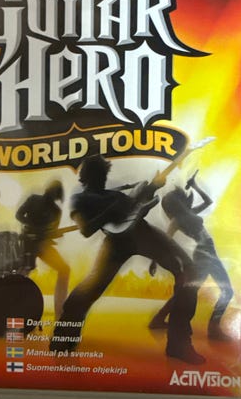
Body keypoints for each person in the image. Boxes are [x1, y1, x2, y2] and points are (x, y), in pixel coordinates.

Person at [49, 155, 205, 364]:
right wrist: (110, 212)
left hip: (142, 232)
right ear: (85, 177)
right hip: (116, 243)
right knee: (89, 288)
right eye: (97, 174)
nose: (102, 178)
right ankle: (63, 338)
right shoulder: (81, 200)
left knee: (188, 271)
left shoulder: (116, 194)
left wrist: (153, 187)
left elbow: (136, 205)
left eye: (103, 174)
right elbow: (86, 230)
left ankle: (179, 344)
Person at [149, 173, 233, 341]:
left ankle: (158, 318)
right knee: (226, 291)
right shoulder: (177, 220)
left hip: (208, 253)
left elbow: (208, 201)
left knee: (188, 291)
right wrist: (154, 261)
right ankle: (213, 328)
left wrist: (195, 186)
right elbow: (165, 240)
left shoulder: (189, 212)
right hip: (204, 255)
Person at [16, 180, 70, 319]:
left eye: (54, 192)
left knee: (64, 270)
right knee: (24, 273)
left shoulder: (56, 211)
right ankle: (13, 308)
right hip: (28, 242)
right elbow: (19, 215)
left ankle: (60, 313)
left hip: (43, 244)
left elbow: (52, 232)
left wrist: (55, 234)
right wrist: (32, 228)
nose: (51, 193)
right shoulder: (33, 199)